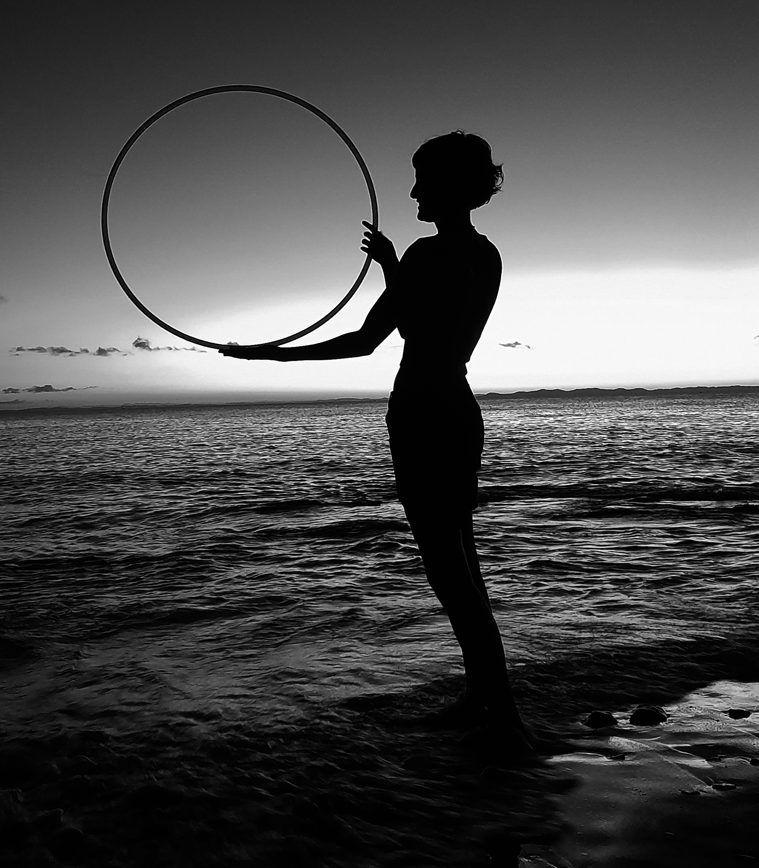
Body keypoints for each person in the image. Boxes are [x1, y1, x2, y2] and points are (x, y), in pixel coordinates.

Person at [223, 131, 532, 753]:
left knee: (449, 573)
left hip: (422, 414)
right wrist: (393, 267)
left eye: (421, 179)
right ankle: (485, 703)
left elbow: (369, 338)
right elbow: (430, 322)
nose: (413, 190)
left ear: (446, 185)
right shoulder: (485, 254)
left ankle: (504, 722)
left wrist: (269, 353)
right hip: (457, 411)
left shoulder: (426, 256)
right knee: (464, 565)